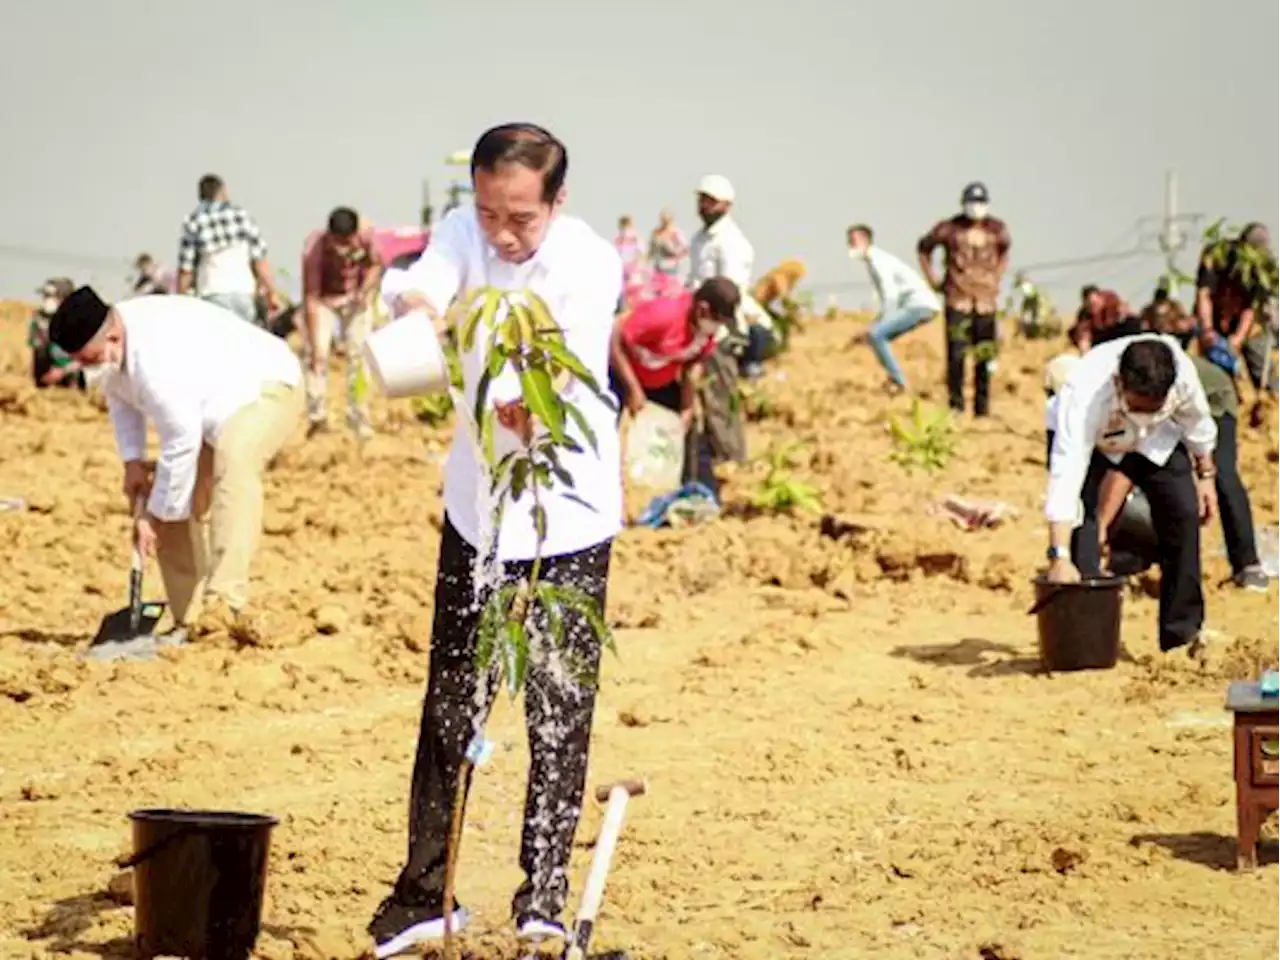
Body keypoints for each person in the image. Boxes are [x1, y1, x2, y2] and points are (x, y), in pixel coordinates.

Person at [369, 123, 623, 956]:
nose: (502, 234)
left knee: (557, 707)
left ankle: (542, 899)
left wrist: (512, 397)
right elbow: (425, 280)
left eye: (520, 218)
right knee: (452, 703)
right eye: (489, 214)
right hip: (477, 510)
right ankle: (425, 894)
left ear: (557, 202)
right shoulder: (464, 232)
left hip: (567, 513)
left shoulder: (588, 262)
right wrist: (415, 309)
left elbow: (548, 372)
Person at [47, 286, 303, 648]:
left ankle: (224, 602)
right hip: (206, 408)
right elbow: (120, 401)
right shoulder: (113, 343)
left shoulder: (154, 356)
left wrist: (153, 518)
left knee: (234, 460)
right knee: (166, 491)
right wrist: (132, 462)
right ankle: (192, 617)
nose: (86, 368)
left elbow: (181, 439)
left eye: (88, 360)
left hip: (265, 386)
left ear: (114, 337)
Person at [1044, 334, 1217, 655]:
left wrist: (1206, 477)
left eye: (1154, 407)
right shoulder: (1083, 394)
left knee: (1183, 515)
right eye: (1137, 407)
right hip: (1097, 442)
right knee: (1084, 531)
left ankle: (1182, 633)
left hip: (1156, 442)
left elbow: (1197, 423)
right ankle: (1087, 641)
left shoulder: (1181, 375)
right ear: (1118, 383)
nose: (1144, 415)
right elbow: (1066, 476)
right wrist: (1060, 555)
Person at [1097, 301, 1269, 592]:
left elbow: (1126, 467)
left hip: (1213, 399)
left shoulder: (1154, 369)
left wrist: (1206, 477)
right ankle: (1137, 560)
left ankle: (1248, 565)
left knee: (1222, 473)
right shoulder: (1119, 379)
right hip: (1173, 408)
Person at [609, 277, 740, 497]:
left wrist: (687, 407)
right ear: (702, 310)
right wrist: (632, 388)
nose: (717, 328)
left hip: (659, 379)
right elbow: (615, 339)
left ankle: (700, 495)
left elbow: (688, 368)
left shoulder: (704, 334)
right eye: (717, 320)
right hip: (621, 373)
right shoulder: (664, 316)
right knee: (607, 431)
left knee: (688, 433)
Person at [917, 181, 1012, 416]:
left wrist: (996, 277)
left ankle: (982, 408)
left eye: (980, 202)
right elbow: (924, 248)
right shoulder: (949, 228)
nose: (976, 207)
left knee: (984, 356)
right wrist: (933, 280)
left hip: (985, 302)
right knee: (956, 355)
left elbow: (1004, 252)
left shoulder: (997, 229)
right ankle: (956, 405)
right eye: (972, 202)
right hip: (957, 299)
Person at [300, 207, 384, 440]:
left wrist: (365, 290)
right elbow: (311, 295)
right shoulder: (314, 248)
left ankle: (359, 417)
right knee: (317, 357)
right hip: (325, 301)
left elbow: (376, 265)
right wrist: (315, 338)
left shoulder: (366, 237)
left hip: (356, 299)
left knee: (360, 357)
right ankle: (317, 417)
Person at [687, 174, 776, 378]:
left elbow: (729, 290)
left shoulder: (731, 241)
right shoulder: (699, 239)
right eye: (703, 200)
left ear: (726, 206)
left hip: (722, 323)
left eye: (712, 201)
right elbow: (693, 279)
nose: (705, 206)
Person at [847, 224, 941, 393]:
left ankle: (899, 382)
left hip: (919, 305)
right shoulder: (873, 260)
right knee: (877, 336)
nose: (850, 245)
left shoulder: (877, 260)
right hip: (917, 305)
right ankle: (895, 379)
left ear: (865, 240)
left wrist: (877, 326)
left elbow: (891, 295)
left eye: (853, 240)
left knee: (877, 335)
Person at [176, 174, 281, 325]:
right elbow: (260, 261)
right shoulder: (242, 216)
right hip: (244, 292)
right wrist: (272, 293)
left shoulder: (193, 221)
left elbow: (186, 269)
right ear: (223, 191)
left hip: (212, 292)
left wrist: (181, 298)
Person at [1195, 222, 1279, 393]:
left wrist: (1238, 338)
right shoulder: (1216, 256)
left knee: (1263, 367)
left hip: (1245, 324)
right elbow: (1204, 295)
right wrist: (1208, 329)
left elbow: (1250, 307)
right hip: (1213, 320)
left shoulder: (1260, 266)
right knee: (1204, 370)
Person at [28, 278, 85, 390]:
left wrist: (63, 371)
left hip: (73, 376)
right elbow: (37, 351)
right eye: (45, 296)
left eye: (51, 296)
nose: (46, 300)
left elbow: (88, 361)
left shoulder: (79, 323)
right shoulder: (40, 321)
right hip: (49, 376)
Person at [648, 207, 688, 297]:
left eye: (667, 219)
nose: (664, 221)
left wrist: (674, 253)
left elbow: (685, 250)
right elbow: (651, 250)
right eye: (663, 219)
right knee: (657, 293)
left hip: (671, 268)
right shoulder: (656, 232)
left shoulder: (676, 233)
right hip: (658, 267)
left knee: (671, 293)